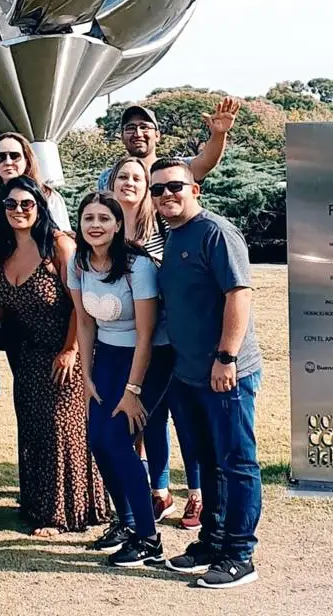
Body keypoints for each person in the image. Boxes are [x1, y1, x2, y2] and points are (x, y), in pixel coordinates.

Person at [151, 159, 263, 589]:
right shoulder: (173, 234)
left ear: (194, 189)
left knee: (237, 462)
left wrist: (227, 357)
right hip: (189, 374)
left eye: (175, 186)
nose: (167, 195)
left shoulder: (217, 232)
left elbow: (239, 294)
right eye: (158, 190)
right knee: (210, 461)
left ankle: (239, 554)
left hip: (226, 373)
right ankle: (212, 541)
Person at [0, 178, 106, 536]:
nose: (18, 211)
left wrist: (70, 350)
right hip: (26, 355)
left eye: (26, 204)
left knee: (60, 429)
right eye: (10, 205)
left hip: (65, 350)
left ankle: (64, 512)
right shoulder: (0, 251)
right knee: (34, 430)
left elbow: (79, 304)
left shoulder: (58, 245)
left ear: (39, 207)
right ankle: (37, 505)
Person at [68, 192, 172, 567]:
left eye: (104, 218)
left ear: (117, 224)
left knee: (116, 439)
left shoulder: (137, 266)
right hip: (108, 355)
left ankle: (148, 538)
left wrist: (132, 391)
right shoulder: (77, 262)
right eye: (88, 218)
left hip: (149, 358)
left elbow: (146, 335)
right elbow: (84, 320)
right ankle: (125, 522)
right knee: (97, 440)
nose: (95, 225)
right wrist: (87, 373)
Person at [109, 155, 202, 529]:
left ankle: (196, 494)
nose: (129, 184)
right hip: (127, 343)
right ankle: (160, 490)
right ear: (111, 185)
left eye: (137, 178)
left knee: (184, 415)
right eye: (122, 177)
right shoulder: (108, 225)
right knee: (151, 420)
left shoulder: (162, 226)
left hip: (168, 338)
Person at [97, 100, 240, 192]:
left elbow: (207, 161)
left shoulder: (176, 167)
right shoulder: (108, 177)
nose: (138, 133)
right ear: (122, 137)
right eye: (130, 128)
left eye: (144, 127)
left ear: (158, 135)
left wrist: (219, 134)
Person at [0, 132, 71, 244]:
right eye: (1, 157)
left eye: (14, 156)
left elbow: (62, 238)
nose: (8, 162)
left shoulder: (49, 197)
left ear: (27, 159)